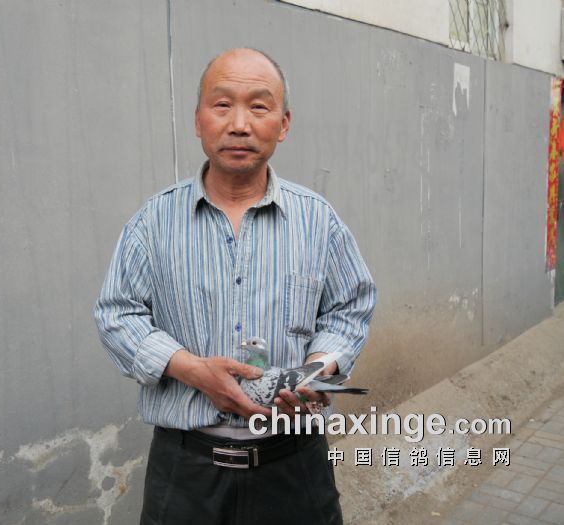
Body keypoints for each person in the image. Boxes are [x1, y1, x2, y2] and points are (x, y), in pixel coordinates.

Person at [94, 48, 376, 525]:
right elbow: (117, 315)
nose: (239, 124)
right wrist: (191, 370)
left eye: (259, 107)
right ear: (198, 120)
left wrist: (315, 369)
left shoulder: (317, 221)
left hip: (294, 466)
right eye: (222, 105)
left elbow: (349, 308)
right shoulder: (153, 222)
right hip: (186, 472)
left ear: (283, 124)